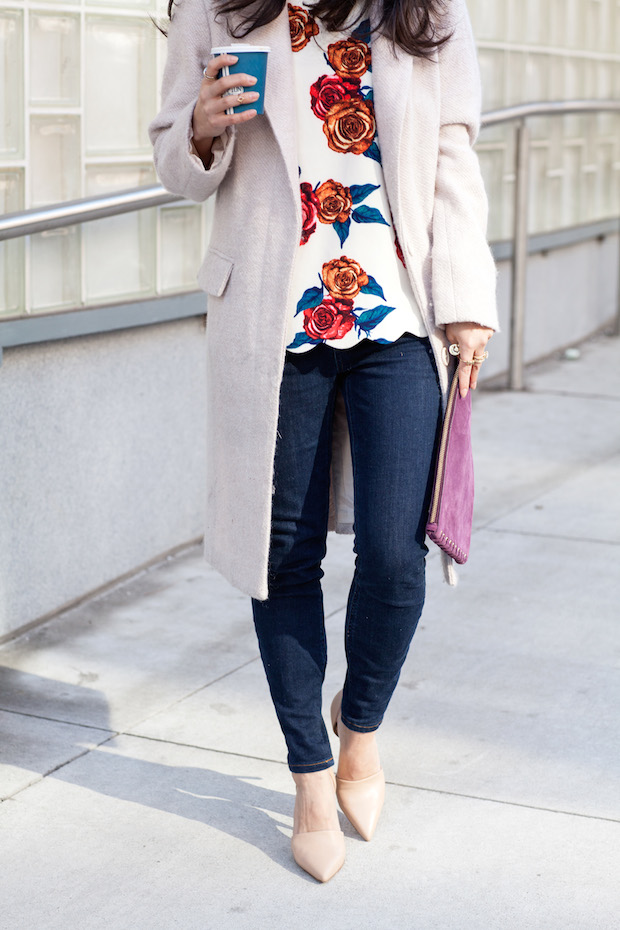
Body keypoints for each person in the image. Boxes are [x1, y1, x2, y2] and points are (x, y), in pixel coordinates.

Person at [150, 0, 498, 883]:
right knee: (284, 556)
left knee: (395, 556)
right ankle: (310, 774)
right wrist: (198, 128)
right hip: (273, 318)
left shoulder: (424, 9)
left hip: (398, 311)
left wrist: (465, 299)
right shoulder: (218, 7)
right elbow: (174, 164)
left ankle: (362, 725)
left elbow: (453, 155)